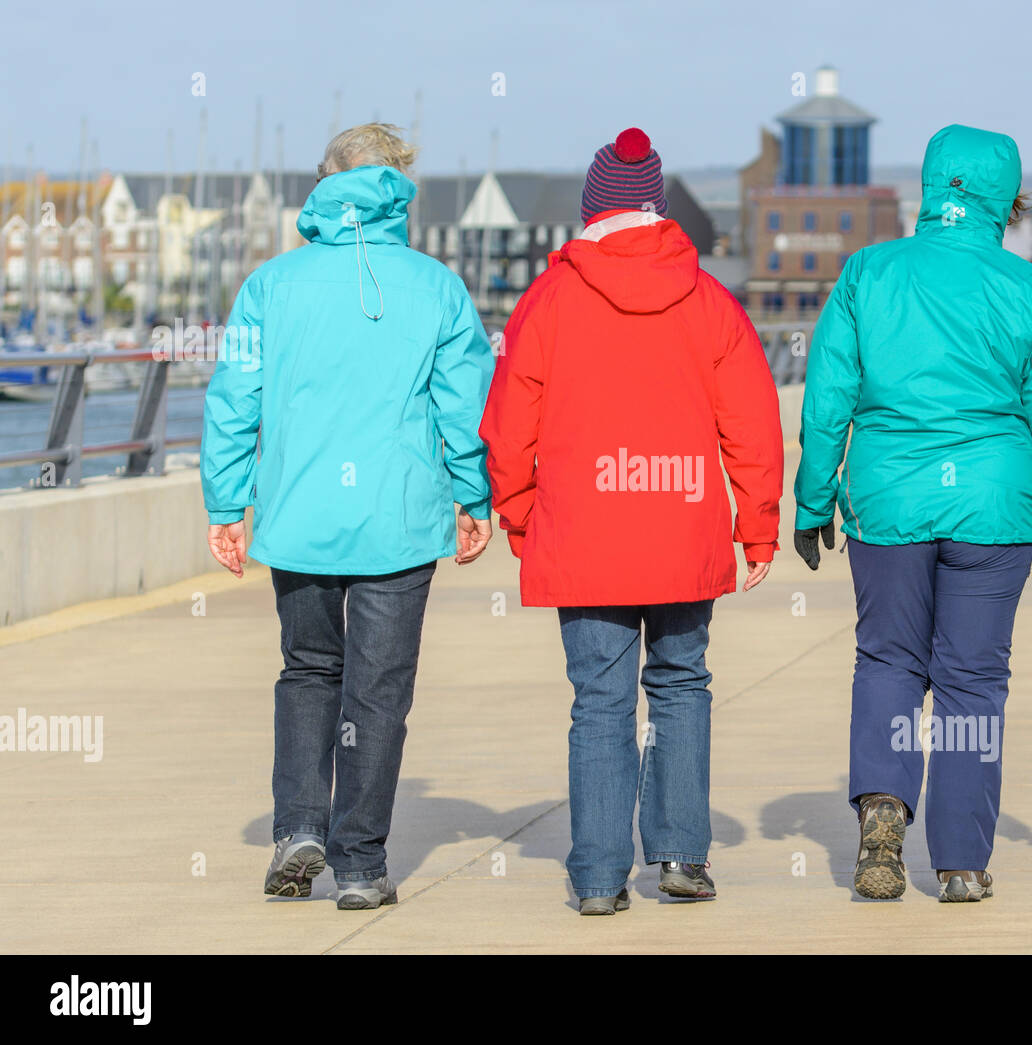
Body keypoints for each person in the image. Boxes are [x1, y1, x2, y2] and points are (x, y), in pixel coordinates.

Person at [793, 124, 1032, 903]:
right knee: (972, 680)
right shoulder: (1028, 288)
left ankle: (884, 812)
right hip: (993, 509)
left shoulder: (868, 273)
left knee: (890, 659)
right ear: (1004, 197)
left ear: (931, 189)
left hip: (887, 502)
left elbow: (828, 394)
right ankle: (962, 861)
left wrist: (811, 497)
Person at [479, 128, 784, 915]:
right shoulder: (710, 302)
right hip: (682, 526)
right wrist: (756, 523)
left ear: (592, 212)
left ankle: (598, 876)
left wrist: (519, 515)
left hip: (585, 532)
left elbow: (508, 424)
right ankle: (682, 854)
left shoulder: (547, 301)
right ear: (656, 211)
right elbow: (751, 420)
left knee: (600, 700)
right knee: (682, 685)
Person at [201, 123, 494, 911]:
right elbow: (465, 407)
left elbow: (233, 400)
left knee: (308, 672)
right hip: (396, 522)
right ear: (403, 189)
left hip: (299, 514)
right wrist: (474, 495)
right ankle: (360, 863)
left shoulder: (271, 284)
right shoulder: (435, 287)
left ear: (325, 183)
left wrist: (227, 503)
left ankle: (298, 824)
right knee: (378, 693)